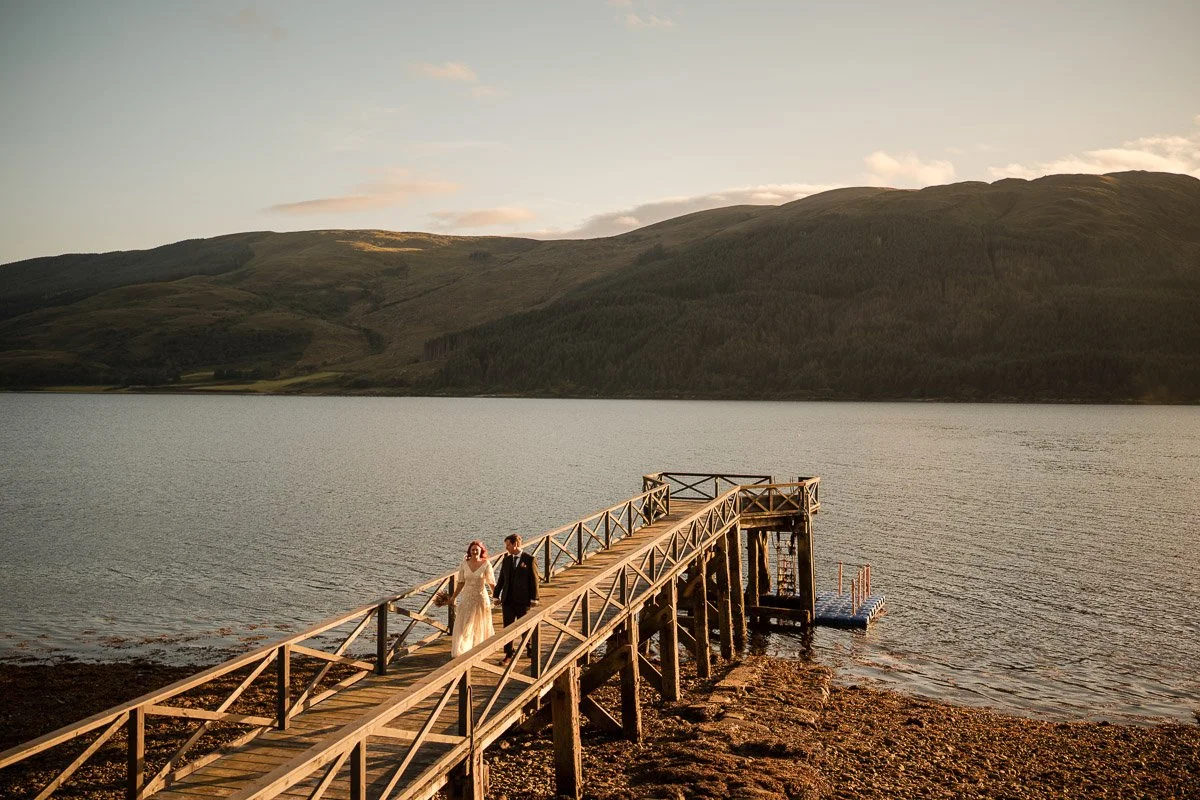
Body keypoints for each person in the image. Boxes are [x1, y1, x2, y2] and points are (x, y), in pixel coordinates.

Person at [493, 533, 539, 664]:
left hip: (523, 600)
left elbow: (534, 580)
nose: (506, 547)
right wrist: (496, 595)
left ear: (515, 544)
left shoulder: (529, 559)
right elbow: (501, 579)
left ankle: (529, 648)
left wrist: (534, 598)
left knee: (524, 625)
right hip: (507, 599)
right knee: (507, 627)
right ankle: (508, 653)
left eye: (508, 545)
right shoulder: (506, 560)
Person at [448, 540, 496, 657]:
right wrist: (453, 597)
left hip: (480, 597)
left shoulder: (486, 564)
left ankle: (479, 647)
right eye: (473, 550)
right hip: (467, 597)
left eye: (477, 550)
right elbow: (460, 582)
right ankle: (463, 648)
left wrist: (496, 596)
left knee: (479, 623)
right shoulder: (464, 564)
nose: (475, 552)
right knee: (465, 622)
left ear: (481, 551)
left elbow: (491, 583)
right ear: (469, 551)